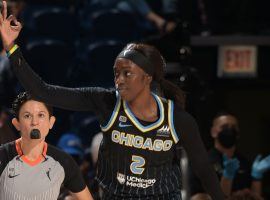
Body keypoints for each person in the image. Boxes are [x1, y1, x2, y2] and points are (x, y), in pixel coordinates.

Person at [0, 1, 224, 199]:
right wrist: (11, 48)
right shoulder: (106, 101)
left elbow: (203, 169)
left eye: (127, 73)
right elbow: (43, 91)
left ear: (147, 78)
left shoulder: (177, 118)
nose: (119, 80)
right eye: (116, 73)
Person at [0, 92, 93, 200]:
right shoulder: (3, 156)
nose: (35, 122)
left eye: (41, 115)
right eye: (27, 116)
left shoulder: (64, 162)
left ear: (51, 122)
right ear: (17, 124)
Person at [190, 112, 270, 198]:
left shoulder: (244, 162)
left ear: (238, 133)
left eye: (234, 127)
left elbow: (255, 197)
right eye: (224, 127)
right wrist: (228, 176)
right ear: (213, 132)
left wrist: (256, 178)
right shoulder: (202, 162)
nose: (229, 130)